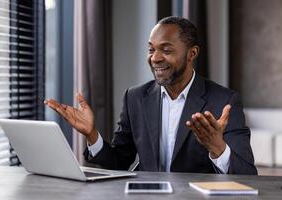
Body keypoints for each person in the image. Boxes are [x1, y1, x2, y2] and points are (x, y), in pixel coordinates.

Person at [45, 16, 257, 174]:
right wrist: (92, 135)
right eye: (151, 49)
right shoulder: (135, 97)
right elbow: (119, 161)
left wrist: (218, 149)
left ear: (192, 53)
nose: (155, 58)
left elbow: (248, 175)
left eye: (166, 50)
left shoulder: (224, 101)